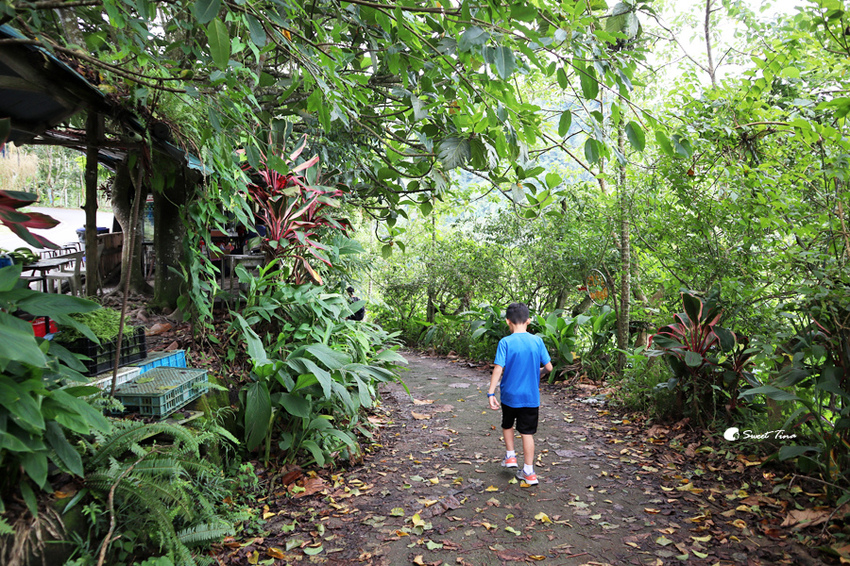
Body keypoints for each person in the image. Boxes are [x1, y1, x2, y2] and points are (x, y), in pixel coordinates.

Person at [487, 302, 552, 485]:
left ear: (508, 321)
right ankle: (529, 472)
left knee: (507, 424)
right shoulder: (537, 341)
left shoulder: (505, 342)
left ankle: (510, 456)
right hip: (531, 398)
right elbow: (549, 367)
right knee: (527, 433)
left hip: (509, 396)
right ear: (529, 321)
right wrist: (538, 372)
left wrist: (491, 393)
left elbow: (499, 368)